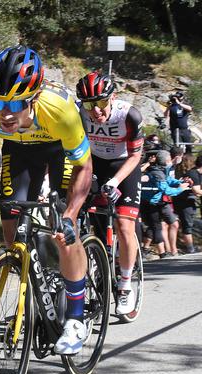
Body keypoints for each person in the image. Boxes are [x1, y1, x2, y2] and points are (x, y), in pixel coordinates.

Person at [0, 45, 93, 355]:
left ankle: (76, 317)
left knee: (64, 229)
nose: (5, 113)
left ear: (35, 98)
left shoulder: (61, 111)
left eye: (15, 104)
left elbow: (84, 165)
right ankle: (38, 285)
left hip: (60, 149)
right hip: (20, 150)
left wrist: (70, 213)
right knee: (11, 231)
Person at [76, 71, 143, 315]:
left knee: (124, 226)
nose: (96, 111)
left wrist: (115, 181)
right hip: (95, 163)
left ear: (113, 97)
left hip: (124, 166)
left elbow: (136, 155)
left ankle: (125, 284)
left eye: (101, 103)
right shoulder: (78, 112)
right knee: (93, 224)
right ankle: (96, 265)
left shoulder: (129, 115)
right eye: (89, 105)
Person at [141, 151, 189, 259]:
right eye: (169, 159)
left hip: (158, 202)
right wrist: (181, 188)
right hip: (151, 203)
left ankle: (147, 249)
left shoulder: (162, 170)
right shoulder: (156, 173)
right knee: (156, 227)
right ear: (166, 160)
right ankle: (162, 253)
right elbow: (166, 190)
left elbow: (169, 180)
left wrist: (179, 182)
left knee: (155, 226)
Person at [174, 153, 202, 253]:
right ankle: (190, 249)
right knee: (187, 225)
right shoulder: (193, 173)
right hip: (184, 202)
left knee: (188, 224)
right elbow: (197, 190)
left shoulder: (197, 174)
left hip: (190, 201)